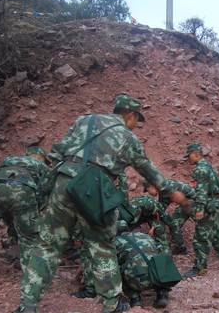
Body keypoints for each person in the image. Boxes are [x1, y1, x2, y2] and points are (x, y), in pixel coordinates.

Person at [16, 94, 167, 313]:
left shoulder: (85, 120)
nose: (136, 126)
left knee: (47, 246)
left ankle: (27, 305)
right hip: (94, 189)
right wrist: (169, 189)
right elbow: (147, 169)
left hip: (64, 182)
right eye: (137, 121)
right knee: (102, 247)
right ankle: (112, 304)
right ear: (131, 115)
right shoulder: (128, 137)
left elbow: (57, 151)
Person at [0, 146, 49, 274]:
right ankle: (30, 273)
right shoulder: (41, 166)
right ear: (42, 158)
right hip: (22, 191)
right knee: (28, 235)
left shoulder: (10, 159)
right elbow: (45, 191)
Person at [183, 142, 219, 277]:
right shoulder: (209, 166)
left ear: (196, 154)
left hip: (209, 207)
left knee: (200, 237)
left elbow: (201, 191)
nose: (188, 159)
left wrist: (199, 209)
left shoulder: (200, 169)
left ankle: (199, 268)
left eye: (189, 156)